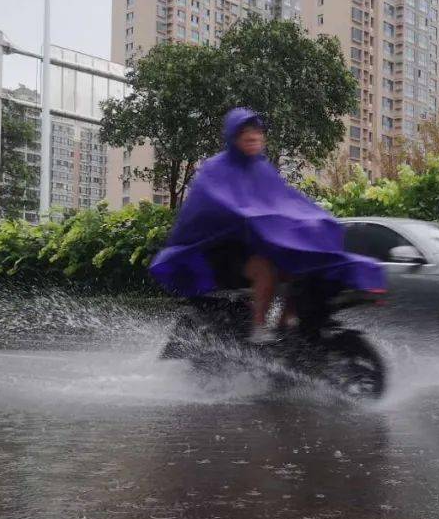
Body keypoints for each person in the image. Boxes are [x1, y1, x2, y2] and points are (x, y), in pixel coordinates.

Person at [149, 107, 384, 343]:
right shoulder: (215, 168)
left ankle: (287, 320)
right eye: (244, 132)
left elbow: (285, 201)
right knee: (265, 269)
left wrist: (318, 218)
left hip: (253, 245)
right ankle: (259, 329)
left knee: (298, 264)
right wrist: (248, 215)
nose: (253, 136)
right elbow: (216, 202)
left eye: (257, 131)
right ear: (233, 136)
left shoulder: (262, 169)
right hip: (220, 250)